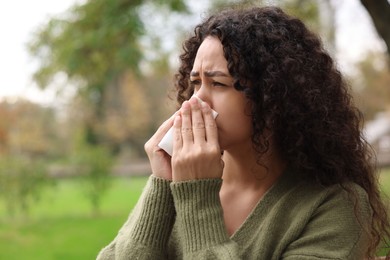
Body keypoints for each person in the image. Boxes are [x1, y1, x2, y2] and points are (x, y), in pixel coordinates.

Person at [97, 6, 390, 260]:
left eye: (219, 84)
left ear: (274, 96)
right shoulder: (176, 182)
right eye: (196, 83)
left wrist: (197, 196)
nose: (195, 101)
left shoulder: (333, 206)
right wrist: (161, 183)